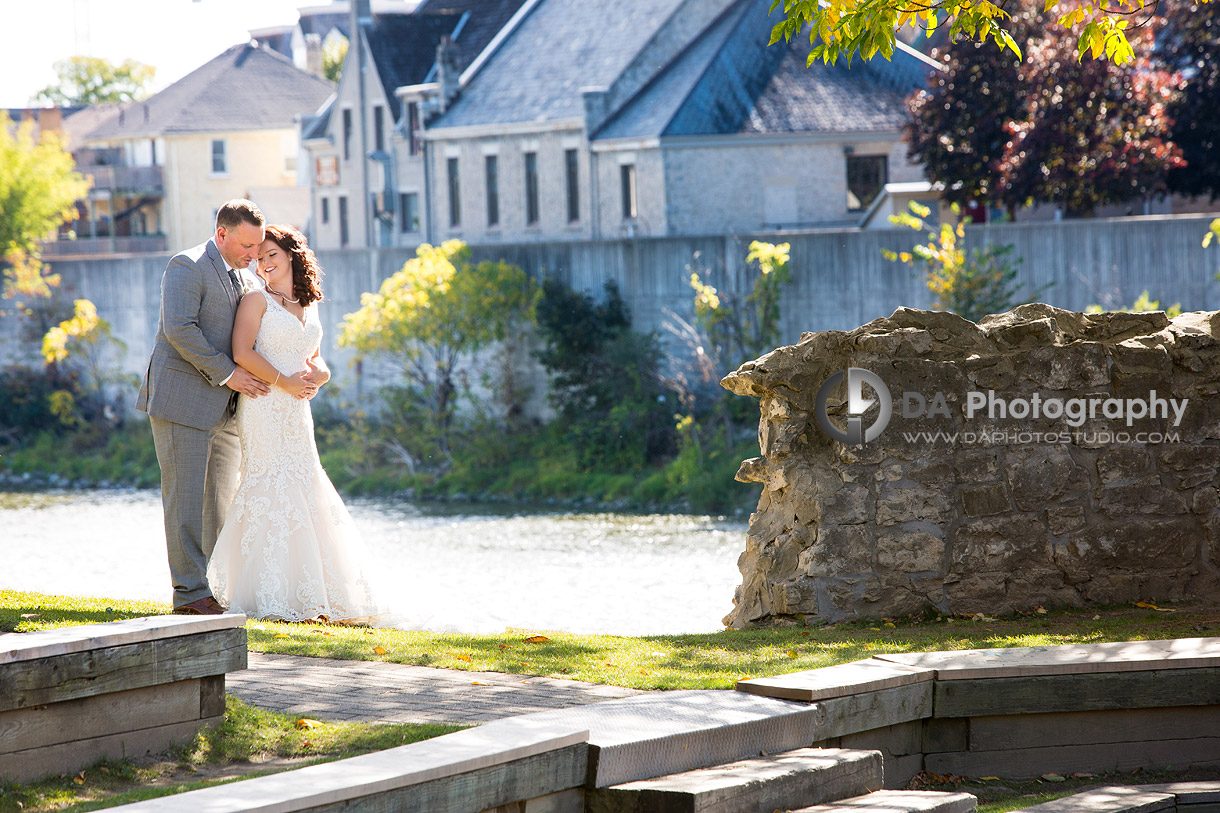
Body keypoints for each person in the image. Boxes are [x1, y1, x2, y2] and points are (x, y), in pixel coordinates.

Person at [206, 224, 384, 623]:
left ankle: (318, 593)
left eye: (272, 255)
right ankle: (267, 592)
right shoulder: (256, 300)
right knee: (270, 484)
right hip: (266, 404)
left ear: (290, 255)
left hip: (298, 412)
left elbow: (316, 357)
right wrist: (284, 381)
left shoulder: (308, 302)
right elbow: (241, 352)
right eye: (260, 257)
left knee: (305, 484)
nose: (265, 263)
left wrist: (320, 376)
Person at [137, 200, 273, 615]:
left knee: (218, 503)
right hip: (182, 403)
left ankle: (213, 587)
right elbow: (179, 328)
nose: (254, 254)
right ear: (222, 235)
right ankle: (189, 594)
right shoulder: (187, 265)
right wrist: (230, 374)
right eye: (247, 245)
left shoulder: (243, 278)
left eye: (258, 246)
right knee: (185, 502)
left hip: (226, 411)